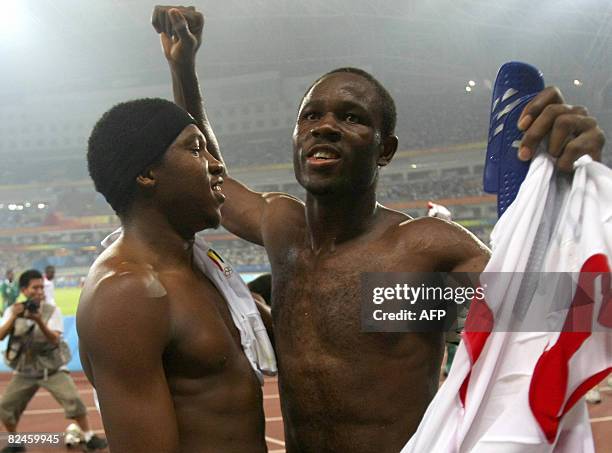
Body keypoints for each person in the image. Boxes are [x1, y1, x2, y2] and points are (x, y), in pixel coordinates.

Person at [153, 7, 607, 451]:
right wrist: (183, 67)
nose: (324, 127)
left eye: (351, 117)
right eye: (310, 116)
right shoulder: (282, 228)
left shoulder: (425, 249)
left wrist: (571, 185)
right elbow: (211, 171)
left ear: (384, 149)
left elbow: (559, 309)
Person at [78, 96, 274, 452]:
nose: (218, 167)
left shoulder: (202, 267)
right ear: (147, 173)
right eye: (197, 150)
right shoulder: (128, 294)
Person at [0, 270, 106, 453]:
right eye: (35, 287)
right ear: (24, 290)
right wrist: (13, 317)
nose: (40, 291)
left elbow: (55, 339)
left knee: (74, 400)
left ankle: (89, 436)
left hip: (52, 369)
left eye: (42, 287)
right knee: (5, 407)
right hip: (25, 371)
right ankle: (15, 441)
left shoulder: (52, 310)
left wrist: (38, 320)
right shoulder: (13, 310)